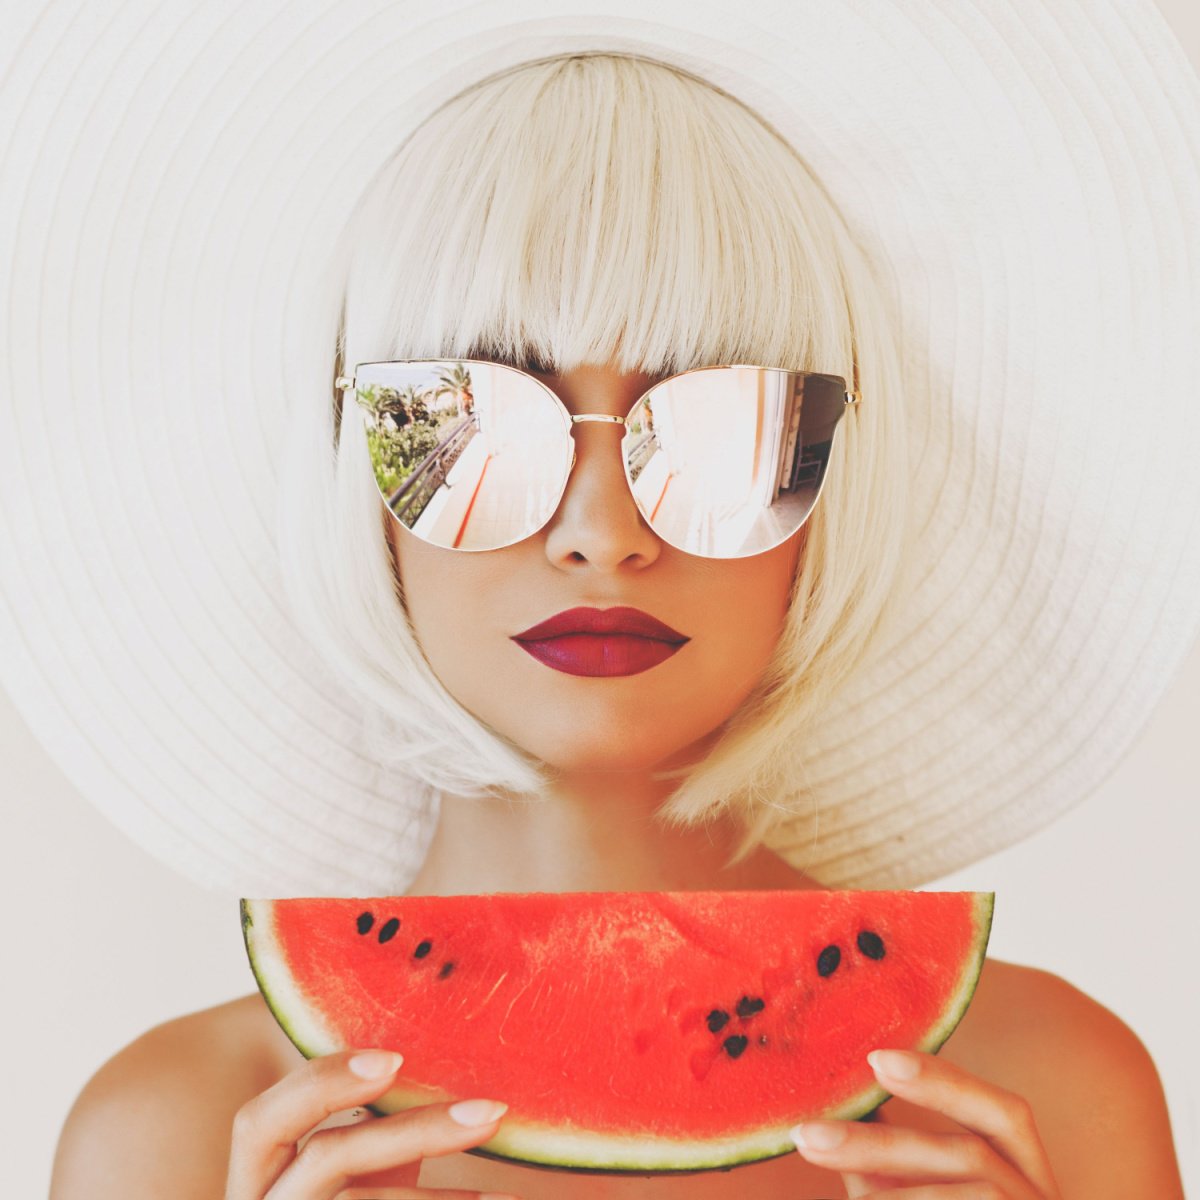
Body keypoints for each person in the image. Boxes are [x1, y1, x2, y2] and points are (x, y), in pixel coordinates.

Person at [34, 38, 1193, 1200]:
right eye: (473, 416)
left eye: (722, 426)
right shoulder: (167, 1136)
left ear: (829, 480)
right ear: (358, 482)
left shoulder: (1057, 1092)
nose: (603, 529)